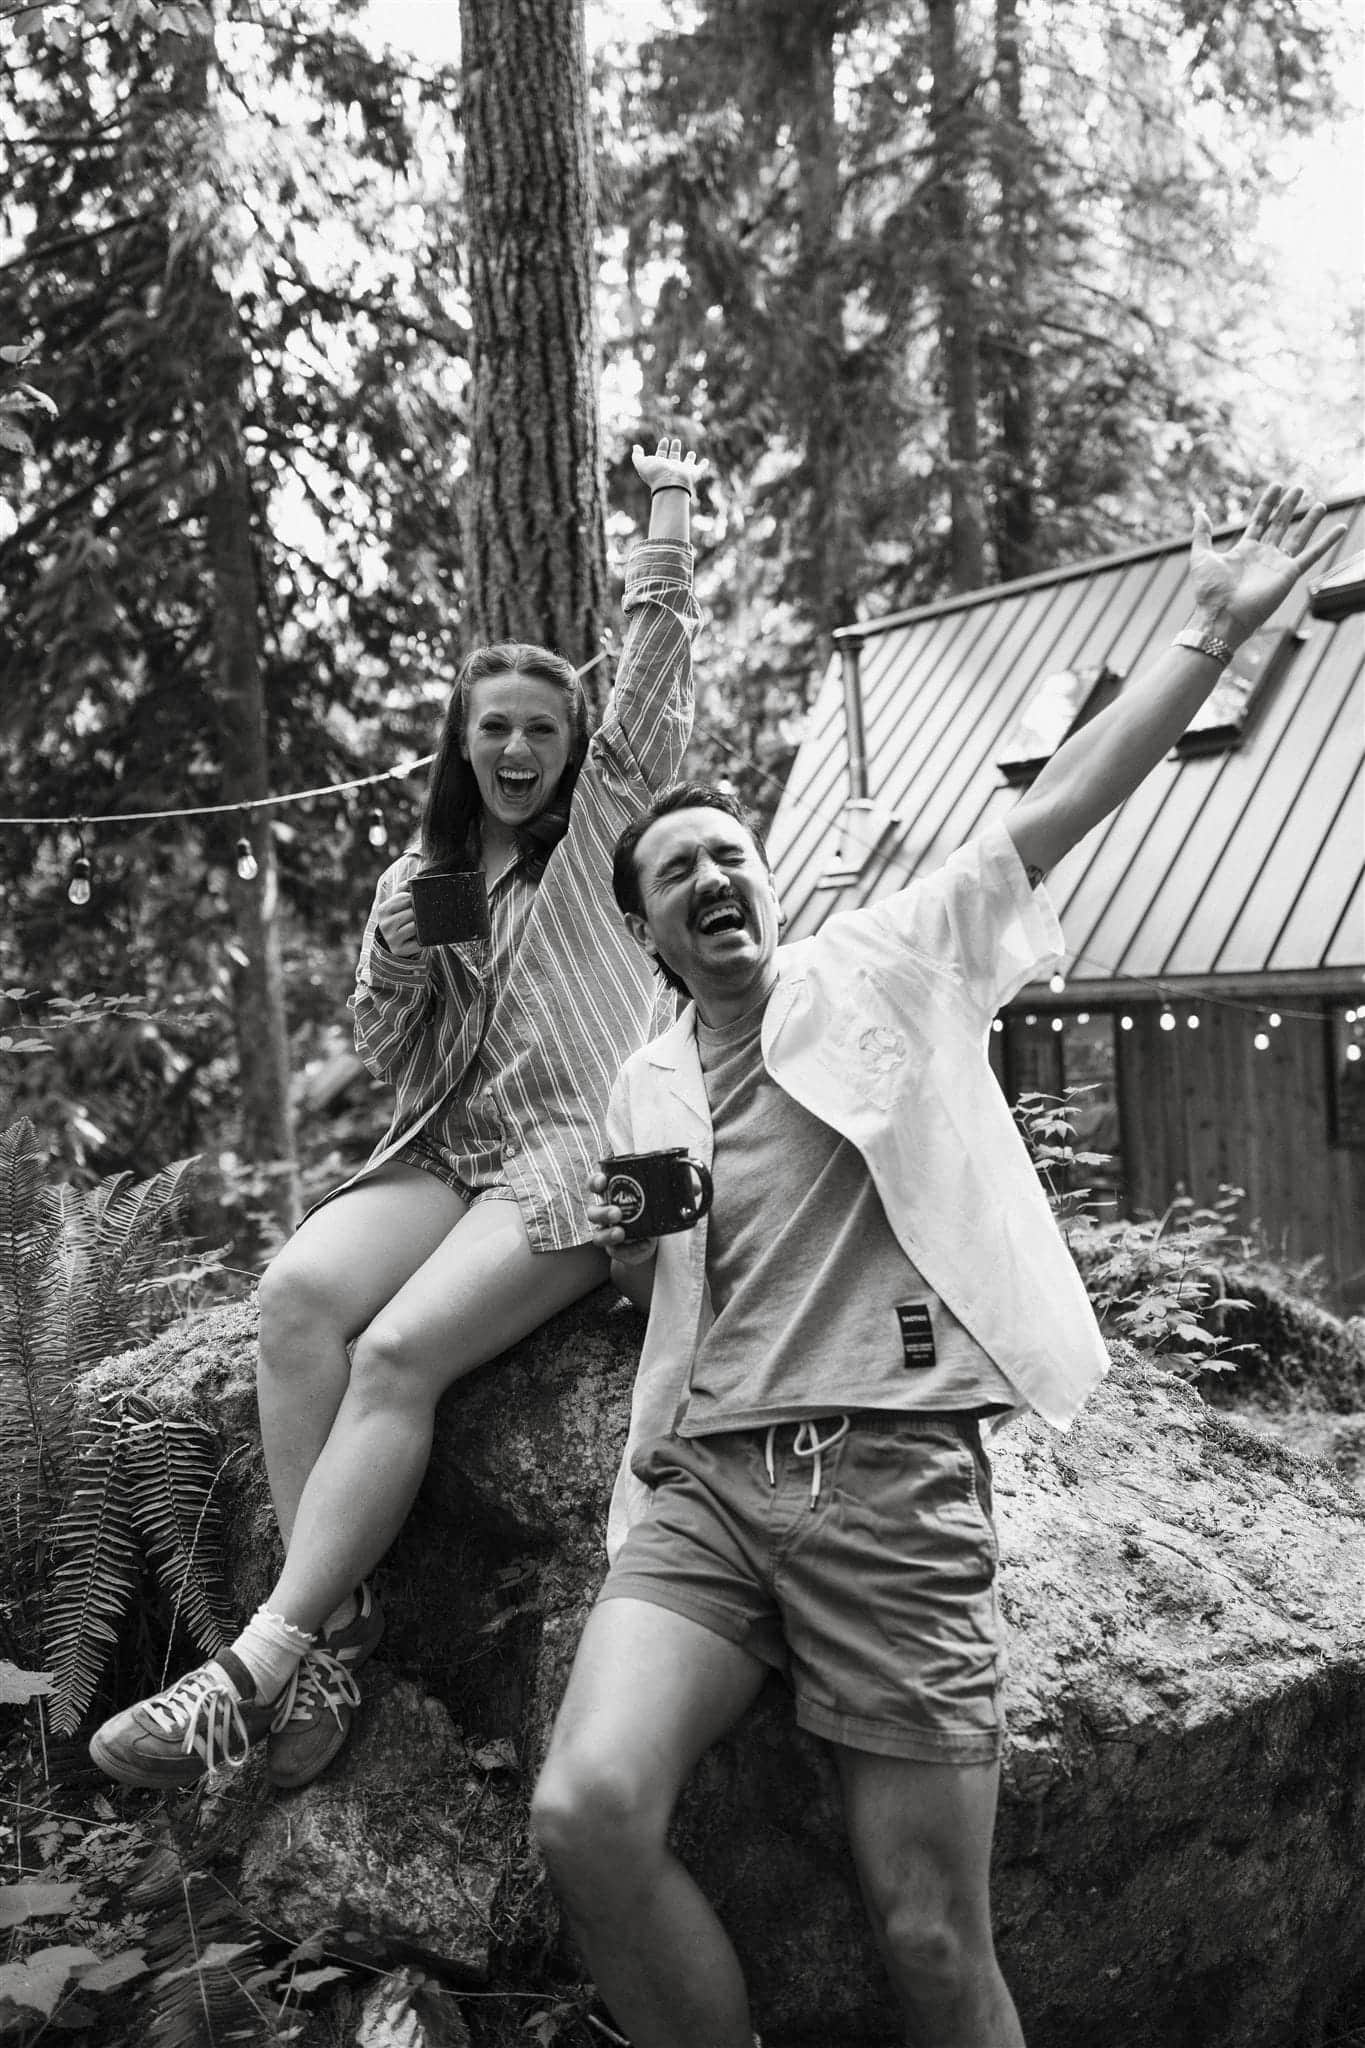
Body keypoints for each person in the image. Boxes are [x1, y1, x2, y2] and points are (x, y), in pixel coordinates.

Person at [529, 483, 1343, 2048]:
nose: (712, 878)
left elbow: (1065, 802)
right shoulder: (645, 1085)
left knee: (925, 1939)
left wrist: (1212, 629)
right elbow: (671, 1301)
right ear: (646, 933)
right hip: (702, 1488)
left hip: (889, 1485)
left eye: (730, 853)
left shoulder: (886, 966)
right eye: (674, 874)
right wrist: (640, 1249)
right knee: (585, 1813)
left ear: (769, 880)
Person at [90, 435, 705, 1793]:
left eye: (542, 728)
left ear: (570, 746)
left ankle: (259, 1659)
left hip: (596, 1158)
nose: (520, 746)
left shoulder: (605, 819)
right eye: (495, 726)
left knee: (397, 1359)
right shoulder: (435, 876)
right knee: (298, 1297)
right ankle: (334, 1631)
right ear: (462, 739)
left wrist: (664, 502)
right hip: (457, 1146)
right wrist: (393, 953)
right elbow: (394, 1047)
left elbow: (652, 660)